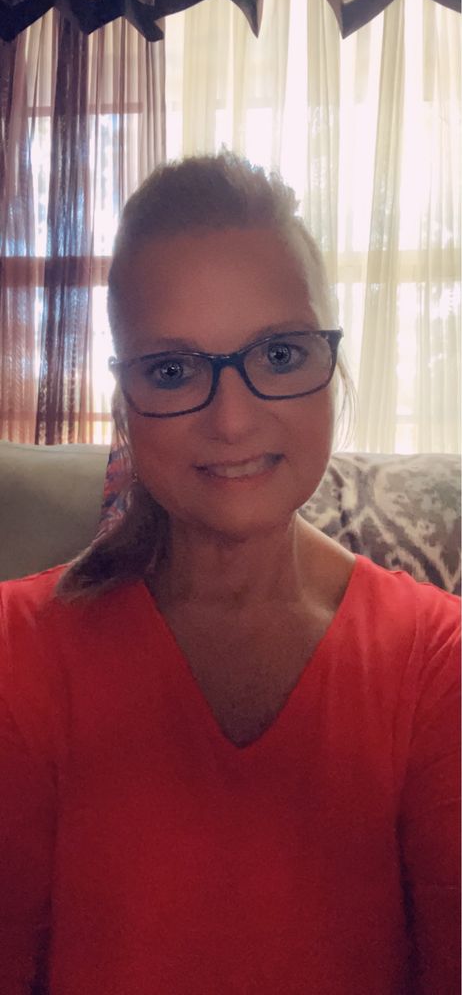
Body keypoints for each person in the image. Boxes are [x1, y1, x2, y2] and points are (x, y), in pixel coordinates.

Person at [0, 153, 459, 995]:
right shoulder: (15, 651)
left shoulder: (437, 660)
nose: (233, 419)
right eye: (173, 370)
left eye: (279, 353)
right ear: (125, 400)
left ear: (334, 368)